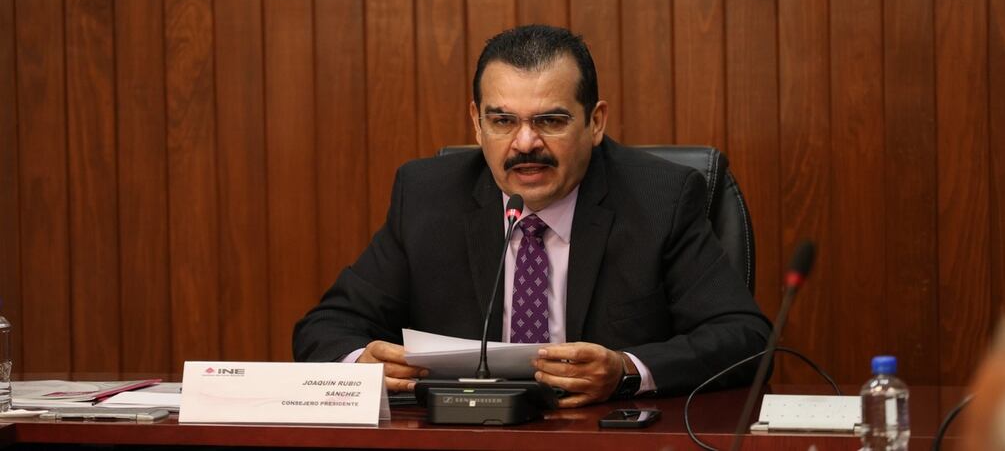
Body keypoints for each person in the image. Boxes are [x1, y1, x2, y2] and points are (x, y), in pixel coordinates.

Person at [294, 24, 770, 407]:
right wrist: (362, 362)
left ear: (595, 122)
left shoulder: (660, 198)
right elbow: (325, 328)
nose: (525, 144)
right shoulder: (427, 196)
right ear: (477, 123)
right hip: (459, 442)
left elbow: (745, 337)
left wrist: (626, 369)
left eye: (550, 120)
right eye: (503, 121)